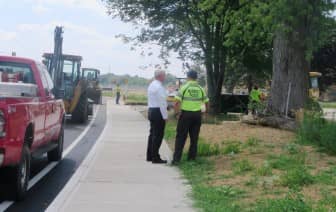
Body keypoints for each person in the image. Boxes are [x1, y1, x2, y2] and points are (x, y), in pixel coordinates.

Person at [172, 70, 209, 165]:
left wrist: (176, 113)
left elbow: (176, 102)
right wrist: (205, 113)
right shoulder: (201, 88)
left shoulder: (184, 87)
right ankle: (192, 158)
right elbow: (206, 102)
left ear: (188, 77)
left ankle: (176, 160)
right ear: (196, 78)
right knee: (194, 138)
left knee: (181, 137)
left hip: (185, 115)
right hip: (197, 115)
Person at [146, 70, 168, 164]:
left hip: (151, 110)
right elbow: (162, 103)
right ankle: (156, 157)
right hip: (158, 111)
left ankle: (150, 155)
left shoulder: (152, 85)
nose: (165, 77)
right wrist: (165, 116)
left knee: (152, 134)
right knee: (158, 135)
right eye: (164, 75)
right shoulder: (159, 87)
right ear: (160, 76)